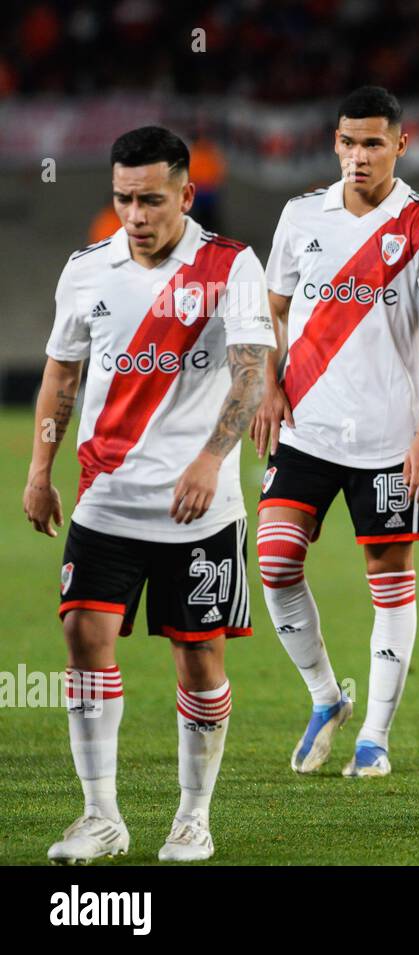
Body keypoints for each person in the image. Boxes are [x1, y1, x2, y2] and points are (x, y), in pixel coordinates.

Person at [23, 125, 274, 862]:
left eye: (152, 200)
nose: (136, 215)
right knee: (82, 637)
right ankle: (101, 814)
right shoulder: (87, 269)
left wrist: (209, 458)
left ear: (187, 195)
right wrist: (39, 471)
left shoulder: (230, 266)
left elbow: (252, 369)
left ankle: (192, 817)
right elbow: (61, 376)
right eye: (124, 199)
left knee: (199, 657)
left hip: (201, 507)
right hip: (106, 496)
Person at [250, 86, 419, 778]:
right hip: (305, 427)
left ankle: (374, 735)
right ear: (334, 144)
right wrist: (266, 383)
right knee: (276, 560)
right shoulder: (299, 216)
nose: (358, 156)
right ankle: (325, 695)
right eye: (347, 142)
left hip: (388, 437)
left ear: (401, 145)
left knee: (388, 575)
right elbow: (273, 311)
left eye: (373, 142)